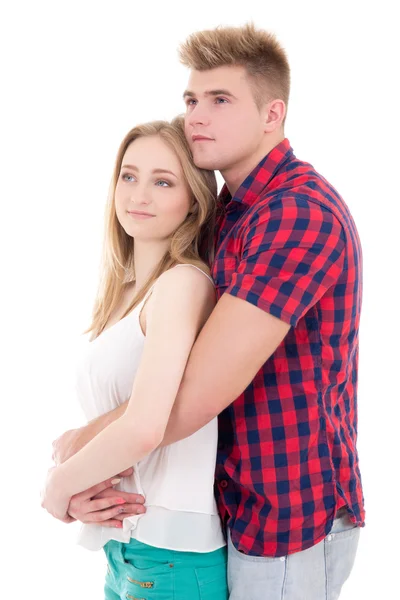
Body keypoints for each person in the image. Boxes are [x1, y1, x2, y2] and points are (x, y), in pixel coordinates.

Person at [51, 24, 365, 600]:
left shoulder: (295, 213)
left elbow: (193, 391)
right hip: (232, 510)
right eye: (191, 99)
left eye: (220, 100)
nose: (197, 115)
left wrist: (76, 456)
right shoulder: (232, 212)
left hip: (287, 518)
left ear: (273, 115)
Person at [41, 117, 229, 600]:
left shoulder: (184, 284)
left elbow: (147, 425)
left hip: (171, 555)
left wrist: (59, 488)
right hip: (127, 547)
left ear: (194, 201)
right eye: (129, 175)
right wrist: (86, 491)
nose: (138, 194)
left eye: (162, 181)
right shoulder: (126, 294)